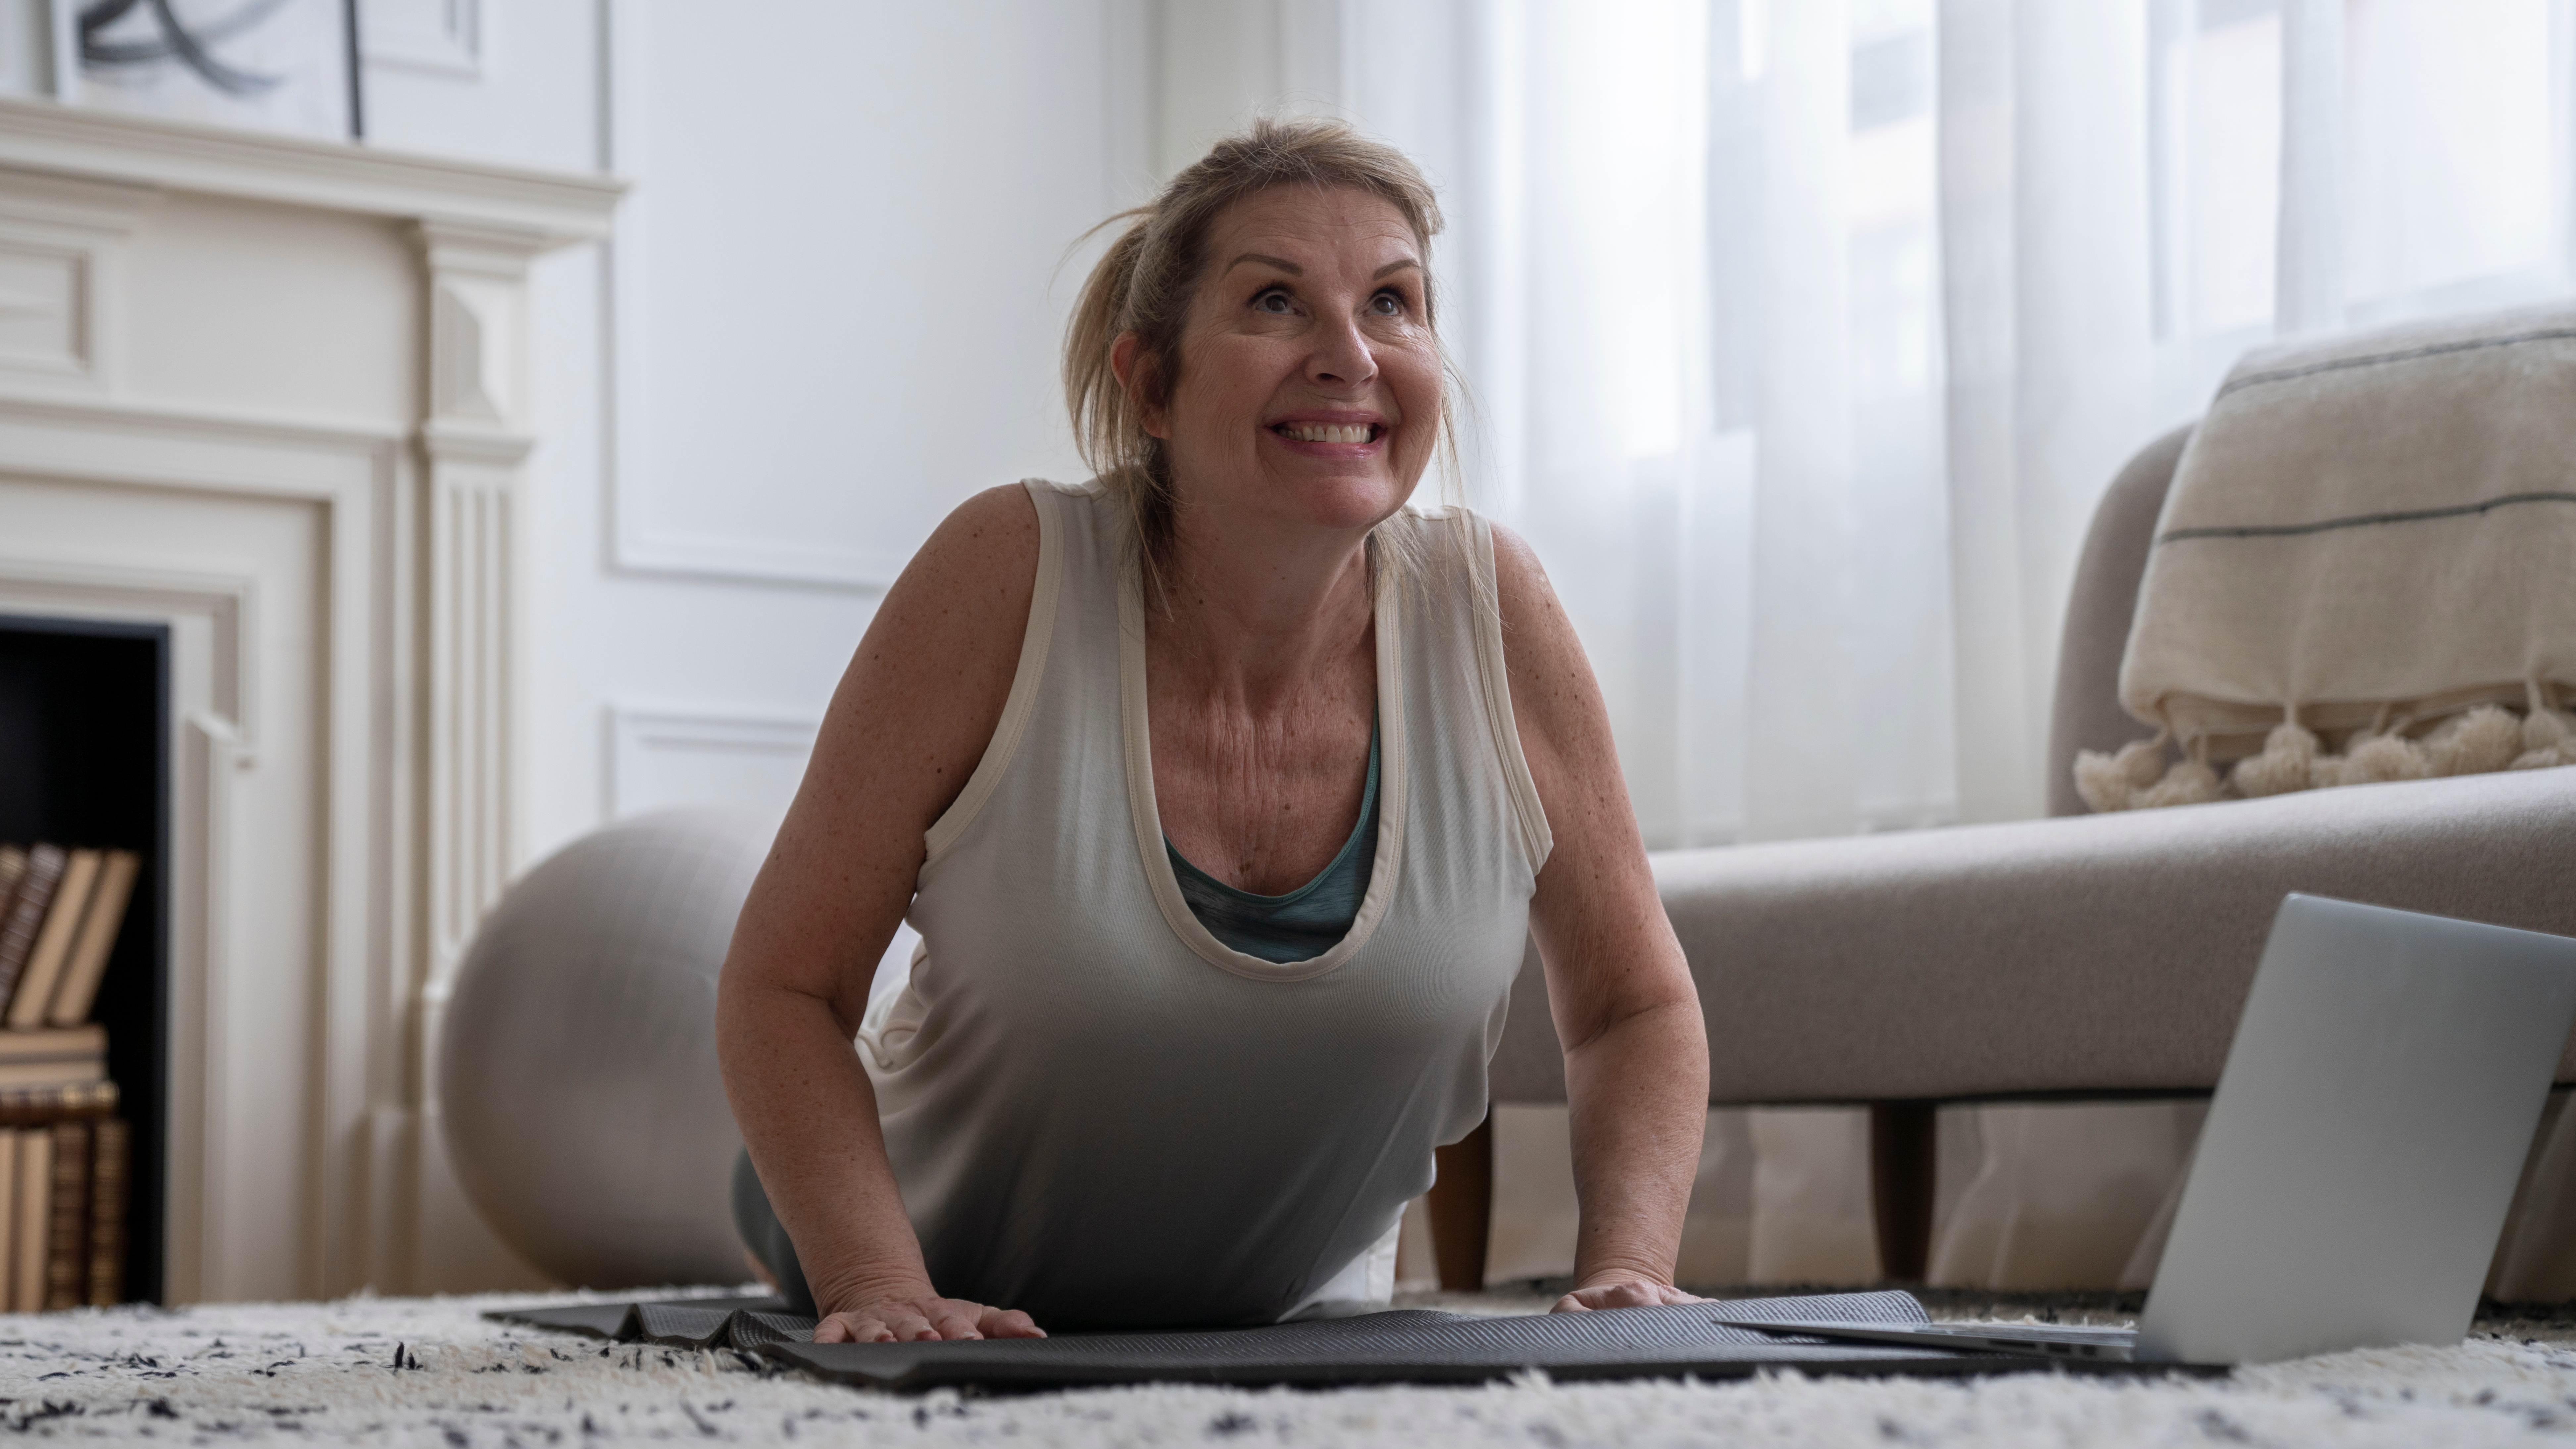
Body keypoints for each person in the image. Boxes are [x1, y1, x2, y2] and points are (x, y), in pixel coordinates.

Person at [715, 118, 1709, 1346]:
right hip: (906, 1239)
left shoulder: (1491, 606)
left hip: (1268, 1309)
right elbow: (785, 985)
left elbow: (1630, 1005)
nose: (1350, 355)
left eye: (1391, 302)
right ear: (1152, 386)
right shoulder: (1005, 568)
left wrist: (1629, 1274)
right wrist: (872, 1282)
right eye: (1276, 302)